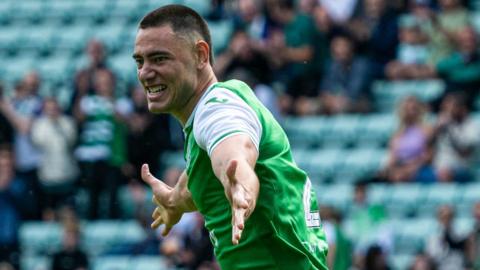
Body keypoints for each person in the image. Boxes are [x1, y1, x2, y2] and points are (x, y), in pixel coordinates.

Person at [132, 4, 328, 269]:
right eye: (140, 61)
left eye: (159, 59)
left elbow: (236, 154)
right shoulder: (210, 116)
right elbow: (203, 178)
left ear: (201, 55)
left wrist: (240, 186)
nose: (145, 72)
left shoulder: (218, 109)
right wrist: (175, 201)